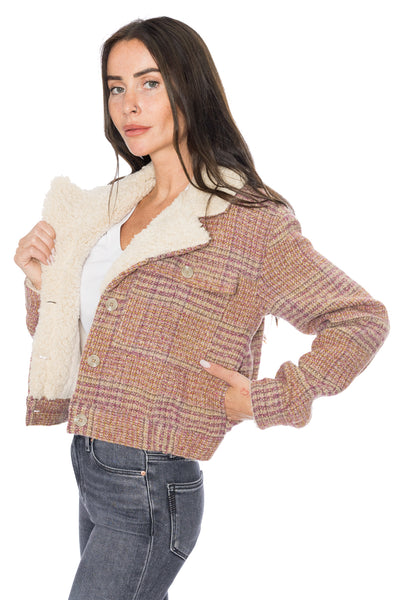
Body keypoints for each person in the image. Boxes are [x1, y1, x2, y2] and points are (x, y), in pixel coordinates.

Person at [14, 16, 389, 600]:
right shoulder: (108, 210)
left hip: (150, 481)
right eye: (115, 87)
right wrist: (42, 285)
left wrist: (269, 399)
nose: (128, 105)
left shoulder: (248, 223)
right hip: (90, 466)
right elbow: (79, 344)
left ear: (190, 86)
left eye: (150, 83)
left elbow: (360, 318)